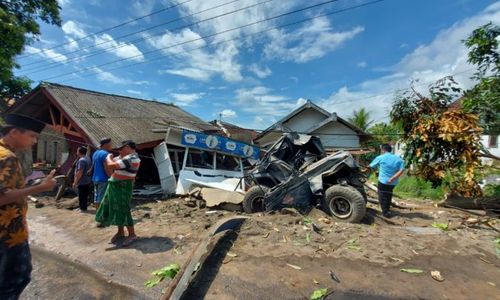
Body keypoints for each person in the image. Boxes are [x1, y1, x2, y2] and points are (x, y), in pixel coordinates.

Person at [0, 114, 57, 299]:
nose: (34, 141)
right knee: (14, 279)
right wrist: (41, 187)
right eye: (32, 136)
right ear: (14, 132)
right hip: (8, 234)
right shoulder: (8, 158)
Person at [95, 140, 141, 246]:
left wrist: (108, 158)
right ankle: (120, 232)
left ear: (128, 147)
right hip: (115, 185)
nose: (119, 151)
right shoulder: (123, 158)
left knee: (124, 209)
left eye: (121, 148)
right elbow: (110, 165)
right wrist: (109, 159)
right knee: (115, 208)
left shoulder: (132, 158)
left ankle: (132, 234)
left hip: (123, 187)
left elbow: (111, 165)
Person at [368, 144, 405, 218]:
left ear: (383, 150)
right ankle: (387, 210)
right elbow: (401, 170)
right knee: (388, 194)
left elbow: (370, 166)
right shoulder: (398, 159)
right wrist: (392, 178)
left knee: (381, 195)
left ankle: (385, 212)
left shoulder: (380, 157)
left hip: (383, 181)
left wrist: (364, 169)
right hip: (393, 182)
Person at [90, 138, 112, 211]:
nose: (111, 145)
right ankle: (101, 215)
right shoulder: (106, 154)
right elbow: (107, 168)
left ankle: (97, 213)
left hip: (95, 178)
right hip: (103, 179)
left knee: (97, 197)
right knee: (102, 197)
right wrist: (111, 177)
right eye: (110, 144)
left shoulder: (95, 153)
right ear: (106, 145)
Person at [72, 146, 91, 212]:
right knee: (84, 195)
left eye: (77, 150)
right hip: (87, 180)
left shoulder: (81, 160)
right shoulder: (87, 158)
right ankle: (83, 207)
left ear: (79, 152)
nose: (76, 152)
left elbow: (80, 172)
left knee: (81, 195)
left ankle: (82, 209)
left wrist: (75, 182)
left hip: (82, 181)